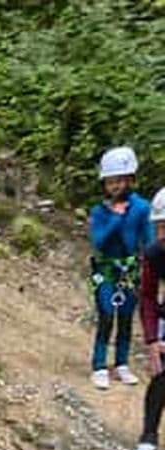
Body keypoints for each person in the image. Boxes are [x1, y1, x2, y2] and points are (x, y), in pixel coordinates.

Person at [88, 145, 152, 389]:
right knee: (106, 315)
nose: (115, 187)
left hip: (131, 270)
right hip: (105, 270)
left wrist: (151, 268)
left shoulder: (142, 208)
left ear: (130, 180)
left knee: (126, 317)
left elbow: (148, 241)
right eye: (110, 182)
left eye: (119, 181)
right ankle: (99, 365)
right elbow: (99, 241)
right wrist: (115, 217)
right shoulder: (99, 211)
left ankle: (122, 363)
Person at [132, 188, 165, 450]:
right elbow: (147, 296)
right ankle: (148, 436)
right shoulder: (156, 253)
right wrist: (153, 340)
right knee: (161, 373)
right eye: (159, 227)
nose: (162, 233)